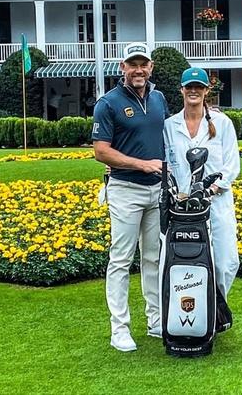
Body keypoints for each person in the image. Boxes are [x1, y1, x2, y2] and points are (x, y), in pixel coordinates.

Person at [92, 42, 170, 352]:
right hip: (125, 189)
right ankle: (119, 329)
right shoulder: (108, 103)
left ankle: (155, 321)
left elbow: (167, 134)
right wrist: (142, 164)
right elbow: (101, 151)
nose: (138, 70)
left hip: (156, 190)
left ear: (150, 67)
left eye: (143, 64)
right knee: (121, 260)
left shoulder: (159, 98)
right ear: (123, 68)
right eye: (132, 64)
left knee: (153, 258)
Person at [163, 67, 240, 300]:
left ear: (207, 90)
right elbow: (166, 164)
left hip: (216, 203)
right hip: (183, 208)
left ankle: (217, 309)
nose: (193, 91)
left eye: (199, 87)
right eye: (189, 87)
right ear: (182, 90)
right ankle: (192, 313)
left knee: (226, 262)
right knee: (186, 263)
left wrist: (211, 189)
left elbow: (231, 165)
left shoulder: (222, 123)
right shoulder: (170, 126)